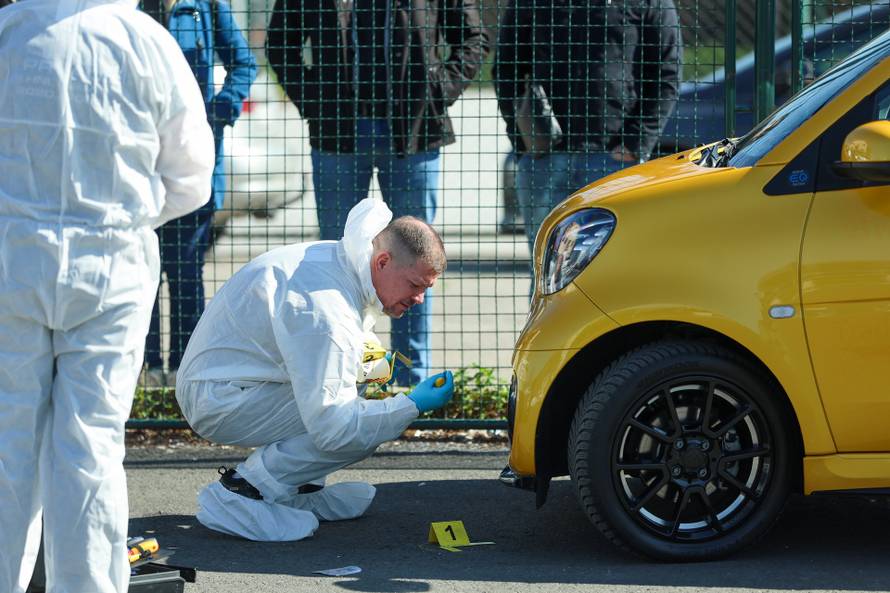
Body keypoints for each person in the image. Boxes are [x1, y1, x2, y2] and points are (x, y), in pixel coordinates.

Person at [0, 0, 215, 591]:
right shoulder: (144, 40)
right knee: (90, 449)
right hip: (110, 268)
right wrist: (125, 218)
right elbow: (193, 175)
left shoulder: (10, 32)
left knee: (8, 445)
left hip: (11, 260)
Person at [175, 197, 454, 541]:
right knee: (358, 427)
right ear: (382, 261)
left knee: (357, 385)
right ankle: (243, 492)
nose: (418, 299)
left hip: (230, 384)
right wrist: (410, 406)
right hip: (219, 400)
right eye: (415, 285)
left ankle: (295, 489)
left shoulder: (341, 262)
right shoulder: (326, 309)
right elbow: (334, 428)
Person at [265, 0, 490, 386]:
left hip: (414, 131)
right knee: (337, 260)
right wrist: (315, 100)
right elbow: (279, 43)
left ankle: (408, 383)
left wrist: (437, 90)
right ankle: (342, 377)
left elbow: (474, 39)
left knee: (416, 262)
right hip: (338, 131)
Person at [494, 0, 681, 255]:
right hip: (545, 160)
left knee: (612, 268)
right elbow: (506, 67)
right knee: (548, 271)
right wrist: (524, 138)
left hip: (614, 162)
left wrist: (635, 143)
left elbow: (667, 73)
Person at [142, 0, 257, 387]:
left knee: (186, 271)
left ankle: (186, 375)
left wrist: (219, 112)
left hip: (194, 163)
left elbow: (244, 63)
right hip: (140, 165)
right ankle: (146, 373)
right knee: (142, 271)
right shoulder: (131, 8)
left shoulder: (206, 6)